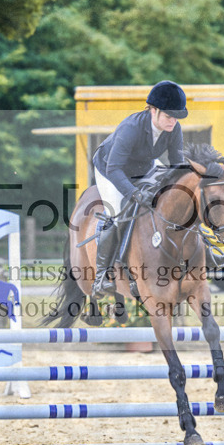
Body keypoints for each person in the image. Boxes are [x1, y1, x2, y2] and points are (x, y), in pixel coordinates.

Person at [89, 80, 188, 298]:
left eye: (177, 117)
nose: (173, 121)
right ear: (153, 110)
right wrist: (134, 193)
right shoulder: (131, 128)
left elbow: (176, 164)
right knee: (116, 215)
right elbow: (114, 168)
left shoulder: (174, 129)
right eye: (169, 116)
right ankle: (101, 278)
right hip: (110, 170)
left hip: (144, 168)